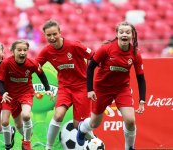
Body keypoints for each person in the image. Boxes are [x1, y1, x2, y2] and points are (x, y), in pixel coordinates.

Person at [76, 21, 146, 150]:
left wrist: (142, 100)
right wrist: (90, 89)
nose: (124, 34)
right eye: (121, 32)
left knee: (130, 120)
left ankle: (129, 147)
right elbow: (90, 68)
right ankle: (81, 128)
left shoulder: (135, 53)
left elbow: (140, 77)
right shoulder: (106, 49)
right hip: (102, 89)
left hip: (122, 88)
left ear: (132, 35)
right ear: (117, 34)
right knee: (94, 123)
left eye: (127, 32)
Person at [36, 19, 95, 150]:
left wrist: (93, 80)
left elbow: (94, 57)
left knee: (78, 125)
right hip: (65, 87)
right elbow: (35, 66)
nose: (52, 38)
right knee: (58, 115)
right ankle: (48, 147)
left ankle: (91, 140)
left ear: (60, 33)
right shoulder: (46, 51)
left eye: (54, 34)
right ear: (45, 36)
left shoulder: (74, 46)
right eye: (48, 35)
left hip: (82, 87)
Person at [0, 40, 53, 150]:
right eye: (19, 50)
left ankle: (26, 142)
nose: (22, 52)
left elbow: (41, 74)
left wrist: (47, 88)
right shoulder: (6, 63)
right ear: (13, 51)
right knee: (6, 122)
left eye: (25, 50)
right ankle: (9, 144)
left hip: (25, 93)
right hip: (10, 96)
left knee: (26, 115)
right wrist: (3, 93)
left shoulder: (32, 63)